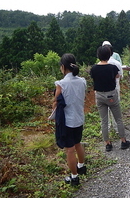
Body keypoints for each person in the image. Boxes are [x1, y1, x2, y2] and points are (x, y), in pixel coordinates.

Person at [53, 53, 87, 186]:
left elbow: (56, 102)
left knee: (70, 149)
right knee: (78, 143)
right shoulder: (82, 81)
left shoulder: (61, 84)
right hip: (79, 118)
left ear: (63, 67)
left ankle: (74, 177)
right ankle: (82, 166)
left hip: (67, 121)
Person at [90, 45, 130, 152]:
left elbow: (93, 77)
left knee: (104, 121)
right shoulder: (113, 67)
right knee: (118, 119)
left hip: (99, 95)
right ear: (109, 55)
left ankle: (107, 143)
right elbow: (117, 76)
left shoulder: (93, 68)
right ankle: (123, 141)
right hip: (111, 95)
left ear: (98, 55)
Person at [102, 42, 123, 133]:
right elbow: (120, 75)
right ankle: (116, 128)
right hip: (115, 89)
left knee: (104, 111)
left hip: (102, 91)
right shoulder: (117, 63)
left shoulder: (99, 65)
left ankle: (106, 128)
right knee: (115, 109)